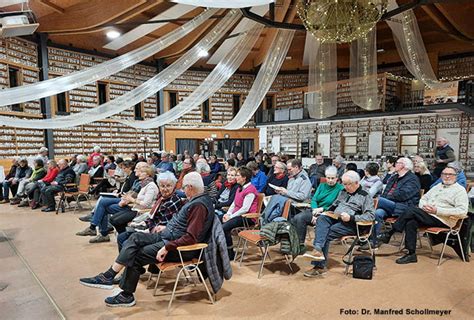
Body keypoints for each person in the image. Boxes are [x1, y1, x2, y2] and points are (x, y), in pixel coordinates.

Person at [79, 172, 215, 307]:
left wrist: (167, 247)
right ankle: (109, 275)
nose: (182, 190)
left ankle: (126, 295)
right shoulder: (198, 200)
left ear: (190, 187)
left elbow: (191, 238)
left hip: (179, 248)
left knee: (137, 254)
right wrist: (166, 229)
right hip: (169, 237)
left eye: (184, 187)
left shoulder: (199, 205)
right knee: (135, 237)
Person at [378, 166, 468, 264]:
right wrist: (424, 206)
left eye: (450, 174)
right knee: (411, 222)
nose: (446, 176)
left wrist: (437, 210)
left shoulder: (460, 190)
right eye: (444, 174)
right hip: (428, 214)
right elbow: (423, 199)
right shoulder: (437, 186)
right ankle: (411, 254)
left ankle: (390, 232)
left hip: (444, 220)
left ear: (455, 176)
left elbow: (462, 211)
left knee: (411, 210)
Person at [303, 171, 375, 277]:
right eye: (344, 184)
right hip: (336, 217)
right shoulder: (344, 191)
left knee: (325, 233)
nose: (345, 186)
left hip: (352, 224)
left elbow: (371, 216)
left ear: (356, 182)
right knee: (321, 219)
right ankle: (317, 249)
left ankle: (319, 266)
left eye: (347, 184)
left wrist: (351, 217)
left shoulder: (365, 195)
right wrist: (325, 212)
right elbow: (335, 204)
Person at [116, 171, 184, 251]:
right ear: (159, 186)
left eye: (168, 186)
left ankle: (126, 262)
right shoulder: (162, 197)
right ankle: (124, 262)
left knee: (126, 242)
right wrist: (142, 223)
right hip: (150, 226)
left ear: (174, 186)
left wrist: (144, 230)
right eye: (162, 186)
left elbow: (162, 225)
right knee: (121, 236)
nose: (165, 189)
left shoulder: (172, 201)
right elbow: (153, 216)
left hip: (159, 234)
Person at [372, 157, 421, 247]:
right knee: (377, 213)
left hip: (404, 207)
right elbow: (385, 192)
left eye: (398, 163)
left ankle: (360, 224)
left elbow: (402, 195)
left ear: (404, 166)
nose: (395, 164)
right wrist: (385, 199)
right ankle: (374, 241)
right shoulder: (394, 177)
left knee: (377, 201)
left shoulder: (412, 179)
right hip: (390, 205)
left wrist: (386, 199)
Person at [291, 166, 344, 247]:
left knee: (300, 218)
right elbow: (314, 199)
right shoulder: (322, 185)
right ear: (325, 177)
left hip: (329, 214)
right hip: (315, 210)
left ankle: (299, 244)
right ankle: (298, 243)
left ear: (337, 178)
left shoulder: (341, 188)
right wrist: (315, 211)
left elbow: (337, 205)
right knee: (296, 218)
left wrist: (321, 211)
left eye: (332, 178)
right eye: (328, 178)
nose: (330, 180)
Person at [108, 165, 158, 237]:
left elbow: (146, 204)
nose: (139, 174)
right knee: (112, 219)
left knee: (116, 221)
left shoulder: (151, 186)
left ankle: (125, 236)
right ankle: (124, 235)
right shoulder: (144, 184)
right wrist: (127, 198)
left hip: (142, 211)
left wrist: (132, 199)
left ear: (148, 174)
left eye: (142, 172)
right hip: (135, 208)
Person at [220, 167, 258, 259]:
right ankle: (220, 249)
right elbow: (234, 203)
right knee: (216, 220)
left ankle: (230, 253)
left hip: (247, 218)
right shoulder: (239, 188)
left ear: (244, 178)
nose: (235, 177)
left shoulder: (250, 190)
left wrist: (231, 216)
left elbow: (245, 208)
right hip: (237, 215)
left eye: (237, 175)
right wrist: (228, 214)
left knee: (224, 228)